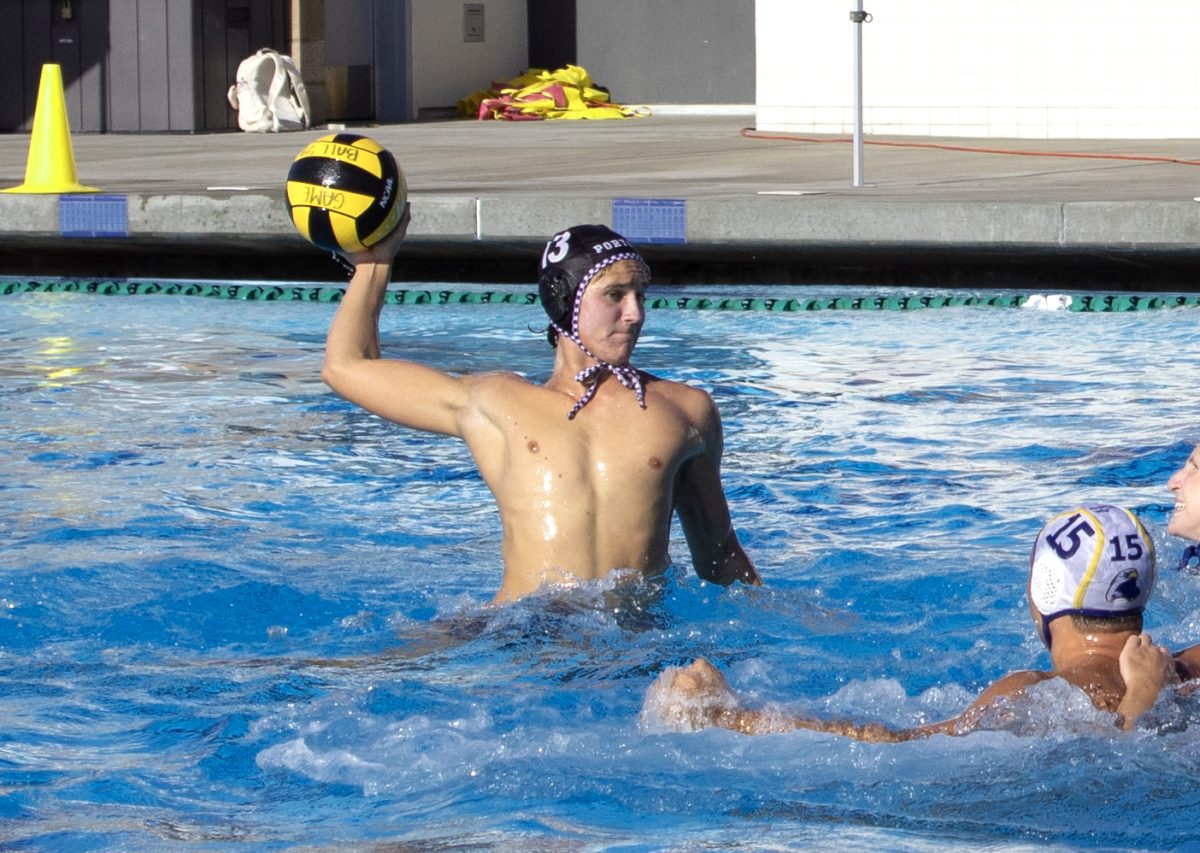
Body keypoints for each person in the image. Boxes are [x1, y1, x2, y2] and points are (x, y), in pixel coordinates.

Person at [322, 210, 760, 603]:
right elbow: (345, 367)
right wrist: (375, 262)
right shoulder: (497, 405)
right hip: (524, 633)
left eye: (640, 295)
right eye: (615, 295)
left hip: (635, 641)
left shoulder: (684, 411)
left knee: (693, 687)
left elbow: (720, 559)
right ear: (563, 297)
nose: (635, 313)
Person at [645, 504, 1180, 741]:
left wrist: (727, 717)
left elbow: (898, 743)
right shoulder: (1182, 670)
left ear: (1041, 593)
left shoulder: (1033, 694)